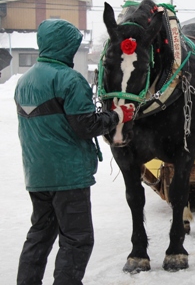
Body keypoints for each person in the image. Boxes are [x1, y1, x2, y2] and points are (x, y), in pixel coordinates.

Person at [14, 19, 135, 284]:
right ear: (67, 47)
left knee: (39, 235)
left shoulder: (24, 81)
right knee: (77, 239)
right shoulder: (69, 79)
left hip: (37, 174)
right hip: (68, 175)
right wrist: (117, 114)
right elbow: (86, 126)